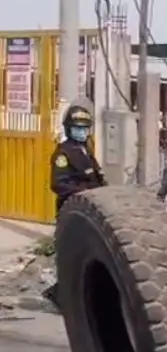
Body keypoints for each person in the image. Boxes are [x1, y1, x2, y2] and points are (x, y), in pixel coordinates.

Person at [46, 102, 107, 305]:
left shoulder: (85, 150)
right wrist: (86, 192)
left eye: (84, 128)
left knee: (87, 254)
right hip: (72, 211)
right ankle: (60, 295)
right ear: (68, 129)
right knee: (72, 255)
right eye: (77, 128)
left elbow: (97, 177)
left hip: (90, 210)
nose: (81, 132)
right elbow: (59, 184)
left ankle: (71, 295)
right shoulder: (63, 154)